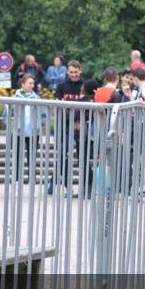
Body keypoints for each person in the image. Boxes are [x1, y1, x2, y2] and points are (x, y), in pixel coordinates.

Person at [49, 60, 85, 196]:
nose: (74, 74)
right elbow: (57, 104)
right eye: (71, 72)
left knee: (82, 157)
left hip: (81, 127)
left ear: (80, 71)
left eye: (76, 72)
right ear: (67, 72)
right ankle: (65, 185)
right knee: (63, 155)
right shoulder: (61, 86)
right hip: (64, 126)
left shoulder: (84, 85)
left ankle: (53, 181)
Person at [10, 73, 48, 185]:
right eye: (30, 83)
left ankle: (31, 180)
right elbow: (7, 114)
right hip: (18, 132)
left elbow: (43, 115)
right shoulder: (14, 98)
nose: (32, 85)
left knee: (32, 158)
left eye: (33, 83)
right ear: (22, 83)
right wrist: (13, 125)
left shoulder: (37, 98)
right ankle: (17, 181)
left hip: (33, 132)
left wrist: (38, 125)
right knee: (17, 157)